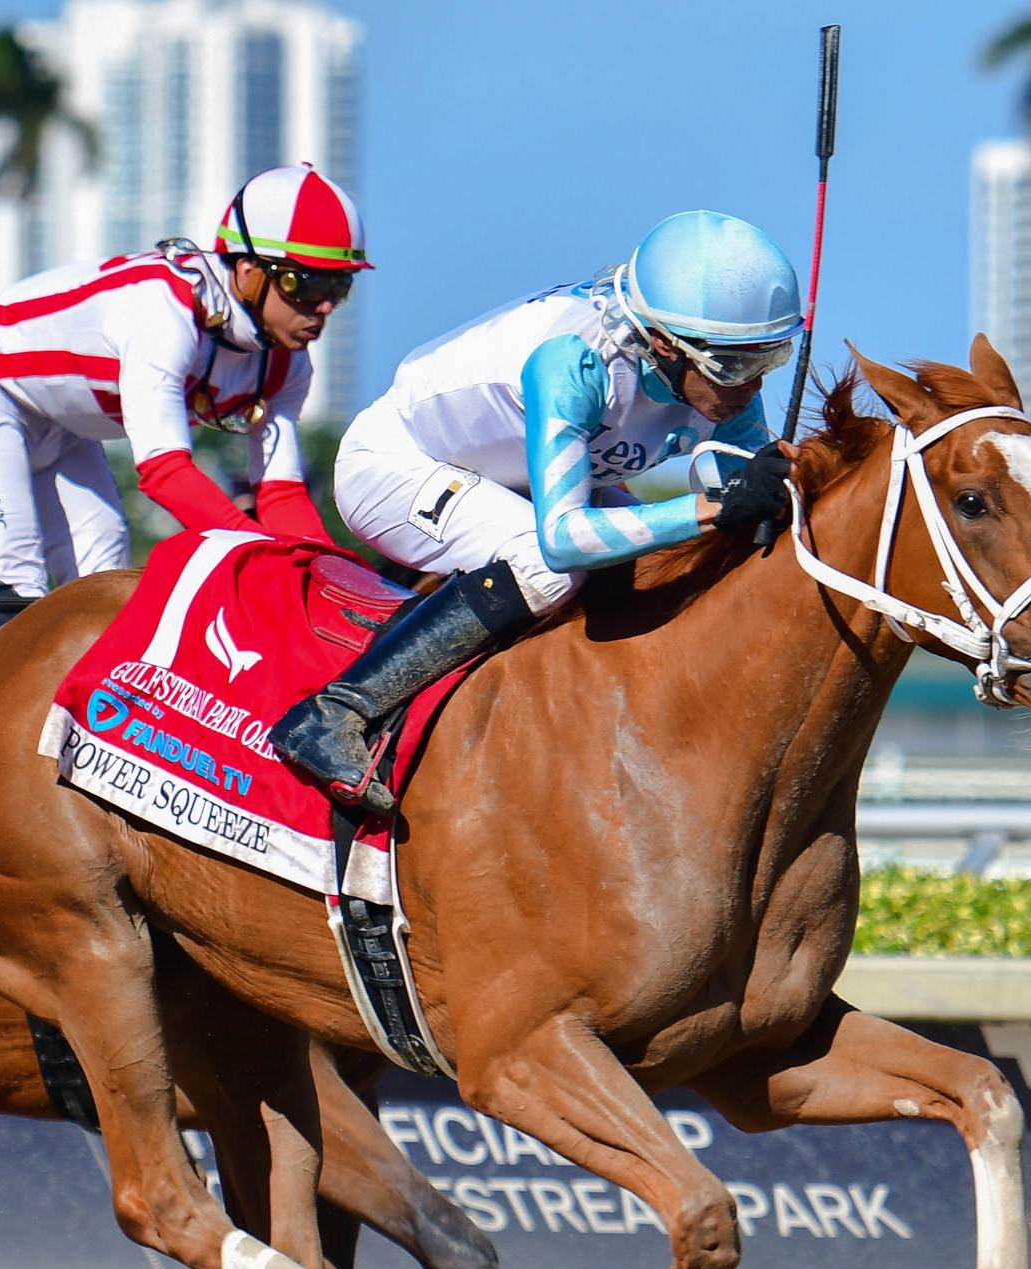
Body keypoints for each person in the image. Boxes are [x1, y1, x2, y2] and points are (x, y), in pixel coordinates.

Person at [270, 211, 806, 817]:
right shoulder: (573, 364)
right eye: (734, 367)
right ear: (662, 343)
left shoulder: (713, 369)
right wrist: (717, 506)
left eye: (770, 357)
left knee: (659, 559)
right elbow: (564, 541)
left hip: (515, 479)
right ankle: (336, 712)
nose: (753, 387)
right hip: (395, 466)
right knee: (549, 567)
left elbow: (740, 496)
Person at [0, 163, 370, 657]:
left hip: (65, 423)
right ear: (246, 269)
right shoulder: (165, 310)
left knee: (104, 590)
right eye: (305, 284)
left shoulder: (286, 364)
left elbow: (280, 495)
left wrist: (332, 575)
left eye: (338, 288)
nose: (323, 307)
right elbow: (164, 473)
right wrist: (263, 559)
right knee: (14, 588)